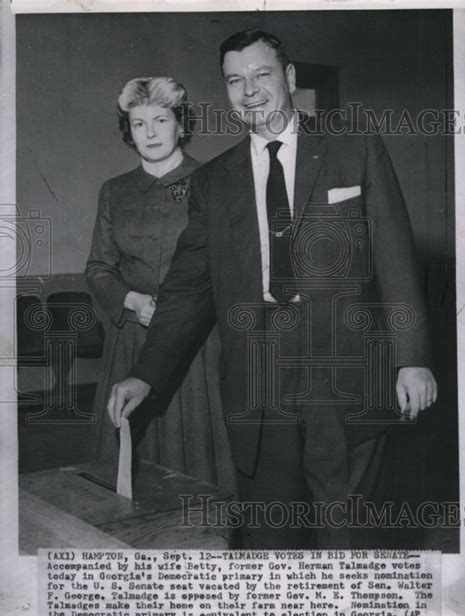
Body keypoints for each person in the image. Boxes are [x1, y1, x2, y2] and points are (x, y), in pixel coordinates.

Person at [107, 32, 438, 549]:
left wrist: (411, 358)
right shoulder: (214, 182)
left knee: (346, 536)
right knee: (268, 537)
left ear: (288, 78)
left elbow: (395, 260)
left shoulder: (354, 147)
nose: (250, 90)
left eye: (262, 75)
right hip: (258, 377)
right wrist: (145, 374)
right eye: (235, 80)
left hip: (346, 369)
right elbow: (187, 291)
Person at [85, 76, 234, 494]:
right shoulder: (113, 192)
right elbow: (98, 267)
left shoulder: (216, 183)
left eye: (160, 120)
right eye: (138, 124)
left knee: (199, 470)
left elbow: (227, 270)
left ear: (181, 124)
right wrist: (131, 300)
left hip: (197, 345)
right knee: (126, 476)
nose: (149, 133)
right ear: (128, 131)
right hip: (131, 342)